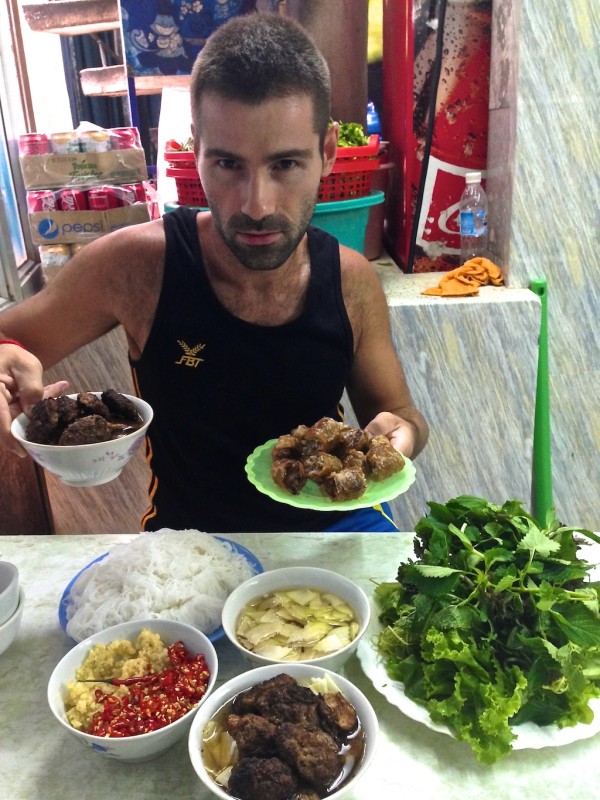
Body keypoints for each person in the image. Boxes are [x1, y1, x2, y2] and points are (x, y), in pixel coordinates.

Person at [0, 13, 428, 533]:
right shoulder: (138, 265)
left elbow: (403, 417)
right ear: (195, 148)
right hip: (195, 552)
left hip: (338, 537)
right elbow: (11, 340)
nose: (256, 204)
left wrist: (398, 434)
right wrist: (7, 365)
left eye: (286, 165)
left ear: (328, 152)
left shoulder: (349, 279)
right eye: (228, 165)